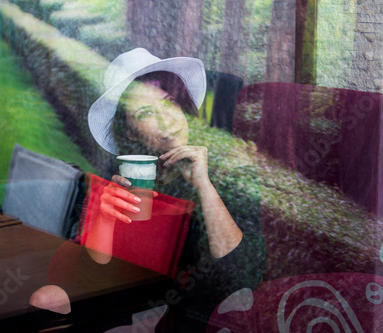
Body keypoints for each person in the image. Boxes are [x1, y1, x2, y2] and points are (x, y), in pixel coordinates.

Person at [82, 48, 266, 331]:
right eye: (146, 113)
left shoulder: (231, 164)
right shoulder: (130, 170)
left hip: (205, 319)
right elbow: (97, 270)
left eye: (169, 103)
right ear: (130, 130)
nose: (167, 122)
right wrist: (105, 218)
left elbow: (240, 278)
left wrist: (203, 184)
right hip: (144, 310)